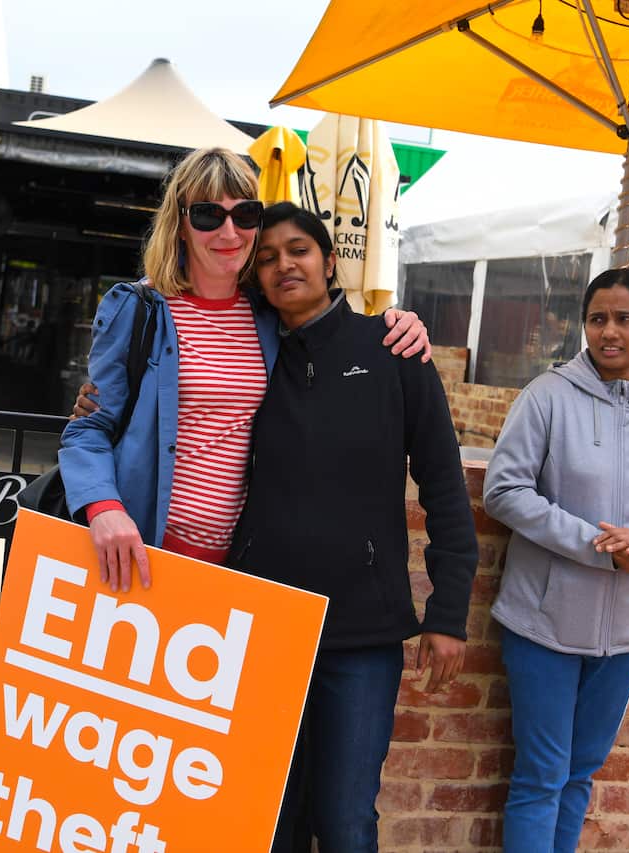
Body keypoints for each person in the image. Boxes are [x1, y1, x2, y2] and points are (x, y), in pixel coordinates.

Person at [59, 147, 430, 592]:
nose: (229, 231)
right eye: (208, 215)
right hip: (139, 551)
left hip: (237, 567)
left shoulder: (268, 316)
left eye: (245, 214)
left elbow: (330, 334)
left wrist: (396, 321)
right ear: (180, 223)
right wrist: (105, 509)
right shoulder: (139, 310)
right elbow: (87, 429)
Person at [227, 202, 477, 852]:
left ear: (329, 260)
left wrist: (447, 613)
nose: (284, 264)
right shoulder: (249, 359)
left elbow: (446, 489)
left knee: (344, 822)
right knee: (265, 819)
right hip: (262, 624)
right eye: (267, 256)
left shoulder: (392, 348)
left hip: (361, 633)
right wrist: (98, 399)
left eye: (298, 250)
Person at [482, 268, 629, 853]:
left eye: (625, 319)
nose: (609, 332)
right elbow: (505, 490)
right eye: (597, 319)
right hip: (544, 622)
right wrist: (596, 546)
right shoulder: (546, 396)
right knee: (541, 777)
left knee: (580, 775)